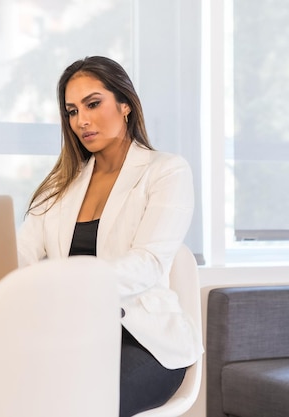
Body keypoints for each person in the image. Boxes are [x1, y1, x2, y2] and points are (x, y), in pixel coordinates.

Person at [17, 56, 203, 416]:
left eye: (93, 104)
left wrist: (65, 285)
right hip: (72, 336)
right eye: (71, 111)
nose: (81, 120)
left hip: (143, 340)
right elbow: (20, 255)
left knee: (78, 404)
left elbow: (147, 264)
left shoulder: (165, 172)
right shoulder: (60, 186)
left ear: (125, 105)